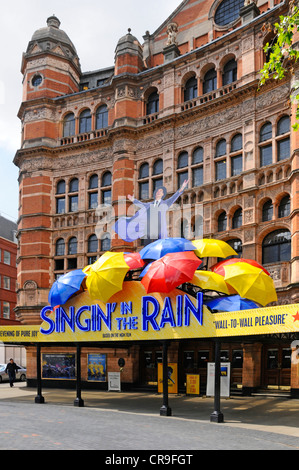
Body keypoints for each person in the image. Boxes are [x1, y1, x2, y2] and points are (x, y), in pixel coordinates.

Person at [113, 179, 189, 243]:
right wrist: (133, 200)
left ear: (163, 194)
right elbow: (141, 204)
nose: (158, 192)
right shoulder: (150, 204)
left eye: (160, 191)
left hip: (160, 230)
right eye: (157, 191)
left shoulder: (165, 203)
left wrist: (182, 187)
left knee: (161, 244)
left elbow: (174, 197)